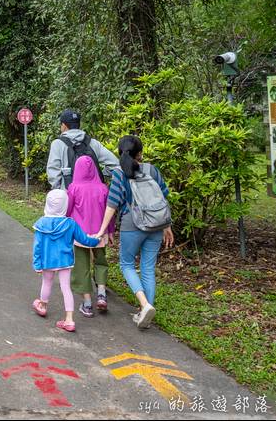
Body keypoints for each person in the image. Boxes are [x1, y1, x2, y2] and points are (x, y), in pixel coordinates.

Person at [94, 135, 174, 330]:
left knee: (127, 265)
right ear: (140, 153)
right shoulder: (152, 170)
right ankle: (145, 312)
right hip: (155, 225)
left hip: (132, 225)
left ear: (120, 153)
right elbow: (163, 197)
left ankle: (145, 305)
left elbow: (112, 205)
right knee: (148, 268)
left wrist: (101, 231)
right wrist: (167, 226)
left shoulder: (120, 174)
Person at [32, 189, 103, 332]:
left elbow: (37, 246)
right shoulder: (70, 223)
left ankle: (43, 306)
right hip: (65, 261)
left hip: (47, 261)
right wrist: (96, 240)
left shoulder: (41, 223)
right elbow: (84, 240)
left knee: (47, 282)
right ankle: (69, 320)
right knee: (66, 288)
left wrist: (37, 264)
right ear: (65, 204)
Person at [67, 155, 113, 317]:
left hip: (79, 235)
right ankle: (101, 294)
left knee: (82, 267)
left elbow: (67, 210)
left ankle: (87, 304)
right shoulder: (103, 188)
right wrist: (111, 231)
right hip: (100, 233)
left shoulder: (73, 188)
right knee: (101, 262)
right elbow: (111, 212)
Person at [46, 109, 120, 189]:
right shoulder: (92, 143)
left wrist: (59, 191)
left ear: (64, 125)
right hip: (94, 195)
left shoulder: (57, 144)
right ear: (79, 124)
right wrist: (99, 174)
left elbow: (53, 173)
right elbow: (115, 164)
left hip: (68, 196)